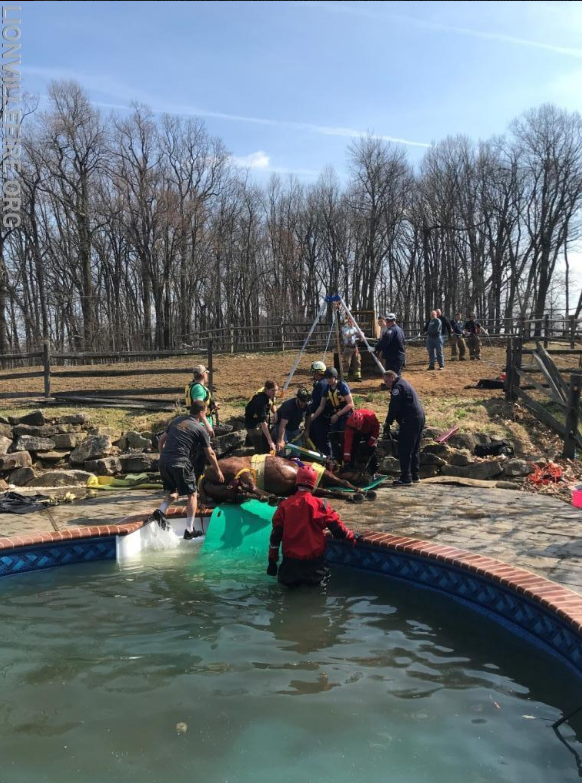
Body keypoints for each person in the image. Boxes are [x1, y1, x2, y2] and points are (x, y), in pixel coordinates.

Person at [267, 465, 359, 587]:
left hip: (289, 567)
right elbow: (338, 531)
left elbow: (275, 536)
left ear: (297, 482)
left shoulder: (284, 505)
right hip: (314, 567)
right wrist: (352, 536)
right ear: (313, 484)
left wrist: (272, 561)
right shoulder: (321, 505)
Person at [157, 400, 225, 539]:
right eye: (205, 412)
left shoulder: (177, 420)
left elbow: (161, 441)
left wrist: (163, 455)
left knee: (173, 491)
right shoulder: (199, 428)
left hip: (164, 461)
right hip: (180, 462)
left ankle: (160, 511)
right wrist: (218, 470)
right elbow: (210, 453)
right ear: (201, 412)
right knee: (192, 494)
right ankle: (189, 529)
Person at [383, 370, 425, 487]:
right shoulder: (404, 383)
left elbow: (394, 407)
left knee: (405, 449)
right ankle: (415, 475)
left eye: (386, 381)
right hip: (419, 418)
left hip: (410, 420)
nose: (386, 384)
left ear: (392, 377)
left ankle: (406, 477)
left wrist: (387, 423)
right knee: (414, 448)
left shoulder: (397, 387)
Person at [310, 367, 354, 462]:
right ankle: (335, 459)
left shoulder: (342, 386)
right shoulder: (326, 388)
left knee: (344, 437)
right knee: (332, 436)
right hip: (335, 414)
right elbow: (321, 406)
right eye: (327, 378)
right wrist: (313, 418)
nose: (329, 380)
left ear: (335, 377)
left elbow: (350, 404)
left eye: (330, 378)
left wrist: (337, 415)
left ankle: (347, 458)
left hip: (345, 414)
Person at [273, 387, 312, 454]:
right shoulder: (288, 406)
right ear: (297, 398)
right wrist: (281, 440)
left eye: (305, 402)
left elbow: (308, 417)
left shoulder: (307, 405)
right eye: (302, 402)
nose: (304, 404)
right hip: (282, 427)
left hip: (294, 427)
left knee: (298, 449)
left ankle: (295, 459)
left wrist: (306, 431)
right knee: (282, 449)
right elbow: (282, 425)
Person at [184, 364, 219, 439]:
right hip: (201, 425)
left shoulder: (193, 386)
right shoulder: (198, 389)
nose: (207, 375)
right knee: (204, 449)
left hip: (196, 423)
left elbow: (199, 403)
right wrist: (208, 426)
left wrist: (212, 405)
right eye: (206, 373)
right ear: (203, 374)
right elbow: (198, 407)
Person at [245, 380, 279, 453]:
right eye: (273, 391)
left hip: (262, 421)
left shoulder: (270, 394)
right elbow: (263, 423)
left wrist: (275, 413)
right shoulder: (260, 401)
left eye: (276, 390)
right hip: (253, 424)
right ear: (266, 389)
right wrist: (270, 441)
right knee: (260, 448)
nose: (275, 393)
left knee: (267, 445)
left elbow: (272, 403)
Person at [342, 409, 380, 474]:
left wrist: (370, 444)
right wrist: (347, 460)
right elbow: (347, 444)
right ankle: (351, 469)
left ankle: (373, 468)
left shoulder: (370, 417)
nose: (358, 428)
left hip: (369, 430)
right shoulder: (349, 425)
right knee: (352, 448)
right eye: (357, 427)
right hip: (355, 432)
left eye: (359, 426)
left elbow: (376, 432)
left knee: (371, 449)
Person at [304, 361, 329, 455]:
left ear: (317, 372)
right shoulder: (325, 381)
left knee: (319, 437)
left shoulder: (320, 385)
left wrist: (307, 409)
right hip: (327, 414)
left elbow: (316, 403)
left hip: (322, 416)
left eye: (313, 372)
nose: (313, 375)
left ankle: (324, 457)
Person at [341, 315, 363, 382]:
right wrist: (354, 332)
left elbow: (360, 338)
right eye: (350, 321)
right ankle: (344, 377)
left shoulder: (355, 328)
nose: (351, 322)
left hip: (355, 347)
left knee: (357, 362)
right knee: (346, 362)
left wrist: (361, 335)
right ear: (348, 322)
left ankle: (357, 377)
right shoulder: (345, 328)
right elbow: (347, 335)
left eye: (352, 321)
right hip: (348, 348)